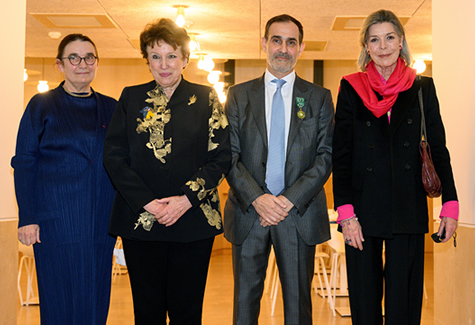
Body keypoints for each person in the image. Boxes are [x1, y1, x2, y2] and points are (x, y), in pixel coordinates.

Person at [332, 9, 459, 325]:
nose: (383, 46)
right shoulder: (351, 87)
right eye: (374, 39)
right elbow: (341, 154)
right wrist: (345, 212)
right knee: (364, 304)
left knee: (404, 305)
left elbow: (438, 149)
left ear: (401, 41)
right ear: (366, 47)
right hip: (362, 211)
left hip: (408, 207)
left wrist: (450, 205)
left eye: (390, 37)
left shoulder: (421, 88)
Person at [103, 18, 231, 325]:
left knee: (188, 312)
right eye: (155, 56)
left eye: (171, 55)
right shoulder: (131, 98)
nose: (164, 64)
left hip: (193, 222)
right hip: (142, 222)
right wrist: (148, 202)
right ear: (146, 59)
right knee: (147, 313)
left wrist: (186, 200)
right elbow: (114, 157)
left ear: (185, 59)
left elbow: (221, 156)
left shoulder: (206, 97)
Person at [224, 14, 334, 324]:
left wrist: (287, 200)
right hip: (249, 214)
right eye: (276, 40)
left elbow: (325, 157)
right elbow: (228, 156)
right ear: (264, 44)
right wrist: (258, 198)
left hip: (297, 214)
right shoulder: (238, 95)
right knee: (244, 308)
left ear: (301, 48)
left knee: (298, 310)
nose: (282, 49)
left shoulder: (319, 98)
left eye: (290, 42)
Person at [12, 34, 117, 324]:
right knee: (59, 299)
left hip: (99, 222)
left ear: (97, 62)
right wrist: (27, 216)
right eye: (74, 57)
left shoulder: (112, 107)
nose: (82, 64)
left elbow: (123, 164)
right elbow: (23, 163)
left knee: (95, 298)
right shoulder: (41, 105)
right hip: (54, 223)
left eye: (89, 57)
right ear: (60, 65)